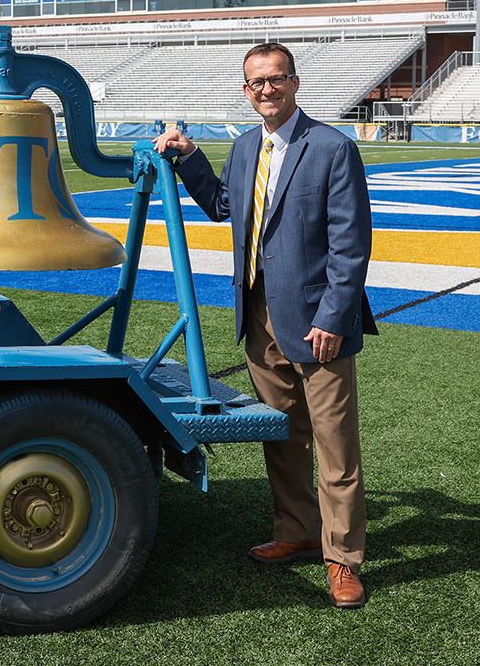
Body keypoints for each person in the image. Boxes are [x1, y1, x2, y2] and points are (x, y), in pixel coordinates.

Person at [153, 42, 376, 609]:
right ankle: (297, 531)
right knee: (283, 436)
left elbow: (351, 248)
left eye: (276, 79)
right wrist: (189, 156)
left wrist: (333, 317)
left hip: (316, 322)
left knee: (335, 448)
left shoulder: (331, 147)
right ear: (245, 90)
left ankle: (342, 560)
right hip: (258, 317)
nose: (267, 90)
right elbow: (226, 206)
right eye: (256, 83)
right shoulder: (246, 144)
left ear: (295, 83)